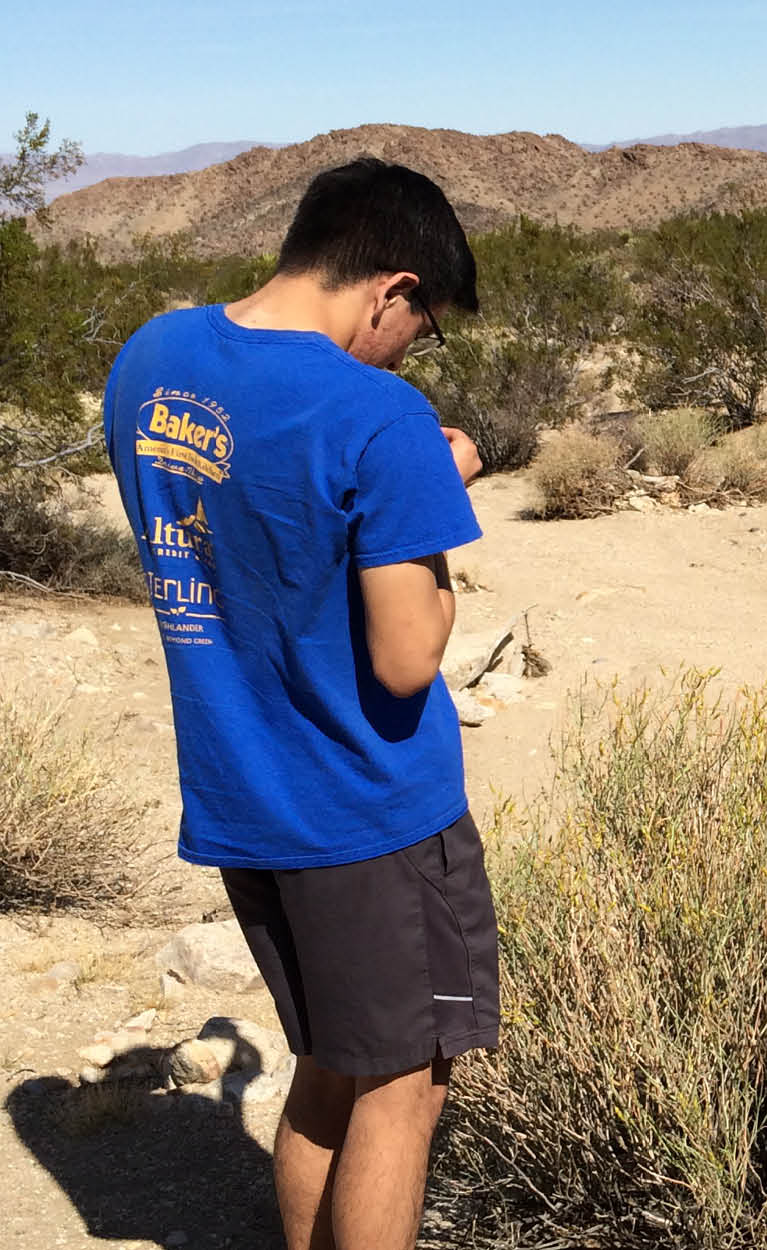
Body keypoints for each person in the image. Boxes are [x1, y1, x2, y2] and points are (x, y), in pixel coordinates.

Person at [102, 156, 488, 1250]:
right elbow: (408, 656)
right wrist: (431, 487)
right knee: (402, 1090)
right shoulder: (378, 415)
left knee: (329, 1060)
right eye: (425, 324)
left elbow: (235, 536)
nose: (414, 347)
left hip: (244, 792)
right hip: (365, 808)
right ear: (391, 288)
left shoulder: (152, 358)